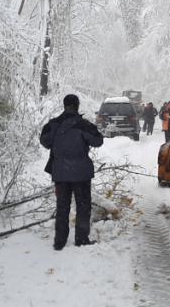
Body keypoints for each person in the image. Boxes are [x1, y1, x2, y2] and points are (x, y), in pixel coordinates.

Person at [40, 94, 104, 251]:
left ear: (64, 105)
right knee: (83, 207)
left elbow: (45, 141)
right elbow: (98, 140)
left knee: (62, 207)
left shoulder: (54, 124)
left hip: (61, 173)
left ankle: (60, 241)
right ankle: (81, 239)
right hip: (81, 174)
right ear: (77, 105)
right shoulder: (83, 125)